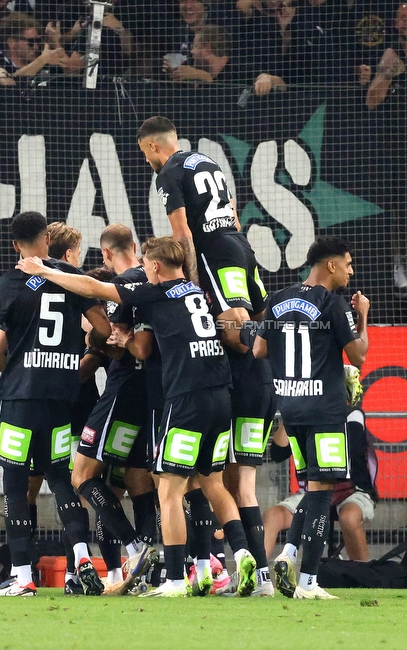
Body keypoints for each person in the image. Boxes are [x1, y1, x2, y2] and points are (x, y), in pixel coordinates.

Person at [16, 237, 259, 599]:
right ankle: (241, 555)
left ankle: (174, 578)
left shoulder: (154, 292)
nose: (144, 271)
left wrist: (45, 270)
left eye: (147, 265)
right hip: (220, 397)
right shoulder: (198, 292)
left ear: (156, 267)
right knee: (212, 483)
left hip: (186, 399)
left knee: (170, 489)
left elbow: (95, 288)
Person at [138, 116, 276, 595]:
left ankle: (197, 570)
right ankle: (252, 574)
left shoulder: (168, 171)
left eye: (146, 153)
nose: (148, 161)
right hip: (241, 247)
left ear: (155, 146)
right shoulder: (210, 162)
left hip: (215, 257)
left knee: (236, 328)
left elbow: (182, 230)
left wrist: (192, 282)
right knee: (230, 482)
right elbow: (233, 213)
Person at [0, 211, 112, 597]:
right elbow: (103, 329)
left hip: (20, 398)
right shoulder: (70, 281)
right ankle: (81, 556)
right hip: (62, 398)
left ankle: (22, 576)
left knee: (15, 485)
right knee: (61, 479)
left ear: (16, 245)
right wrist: (84, 355)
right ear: (48, 239)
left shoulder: (13, 282)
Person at [253, 236, 370, 599]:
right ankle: (307, 582)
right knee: (322, 492)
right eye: (348, 264)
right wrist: (363, 316)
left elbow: (258, 349)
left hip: (290, 410)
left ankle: (288, 553)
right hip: (325, 410)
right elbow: (359, 356)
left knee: (310, 488)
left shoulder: (275, 299)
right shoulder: (334, 305)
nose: (351, 271)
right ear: (331, 265)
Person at [71, 223, 160, 597]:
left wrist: (96, 333)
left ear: (106, 254)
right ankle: (151, 568)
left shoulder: (122, 288)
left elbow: (116, 341)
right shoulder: (154, 282)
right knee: (140, 481)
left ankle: (136, 548)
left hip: (122, 393)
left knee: (82, 476)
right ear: (136, 247)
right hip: (152, 396)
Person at [264, 407, 378, 563]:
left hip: (352, 490)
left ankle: (363, 576)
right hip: (311, 491)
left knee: (349, 518)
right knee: (273, 515)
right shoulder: (300, 414)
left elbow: (353, 450)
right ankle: (256, 575)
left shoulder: (352, 414)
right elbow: (277, 453)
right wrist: (290, 415)